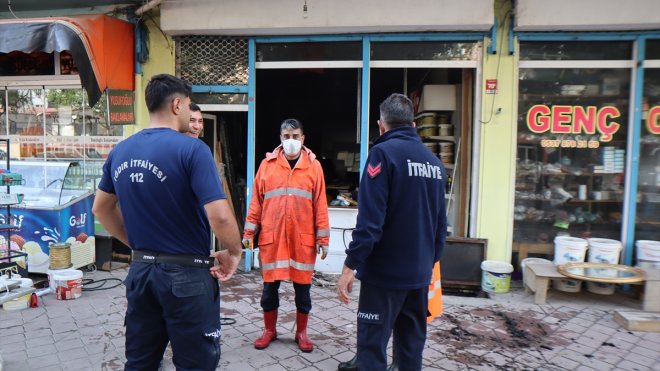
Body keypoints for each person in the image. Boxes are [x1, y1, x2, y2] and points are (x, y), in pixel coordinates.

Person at [92, 73, 243, 371]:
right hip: (187, 277)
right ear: (176, 105)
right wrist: (235, 252)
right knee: (196, 364)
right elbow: (221, 214)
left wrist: (137, 245)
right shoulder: (193, 150)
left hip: (141, 274)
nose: (190, 112)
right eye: (188, 105)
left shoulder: (121, 151)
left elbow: (101, 208)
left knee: (140, 362)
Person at [337, 93, 447, 371]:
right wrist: (429, 262)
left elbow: (370, 222)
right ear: (413, 124)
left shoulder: (382, 154)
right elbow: (440, 224)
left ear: (381, 125)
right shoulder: (434, 164)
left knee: (372, 349)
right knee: (411, 349)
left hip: (384, 277)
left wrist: (350, 265)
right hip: (419, 275)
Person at [242, 118, 330, 353]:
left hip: (302, 242)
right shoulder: (267, 165)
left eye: (295, 136)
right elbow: (255, 204)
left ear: (303, 138)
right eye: (286, 136)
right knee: (269, 291)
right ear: (280, 138)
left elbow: (320, 205)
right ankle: (269, 331)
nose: (291, 141)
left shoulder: (314, 167)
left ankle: (301, 333)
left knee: (303, 293)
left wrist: (323, 239)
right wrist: (249, 234)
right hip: (273, 240)